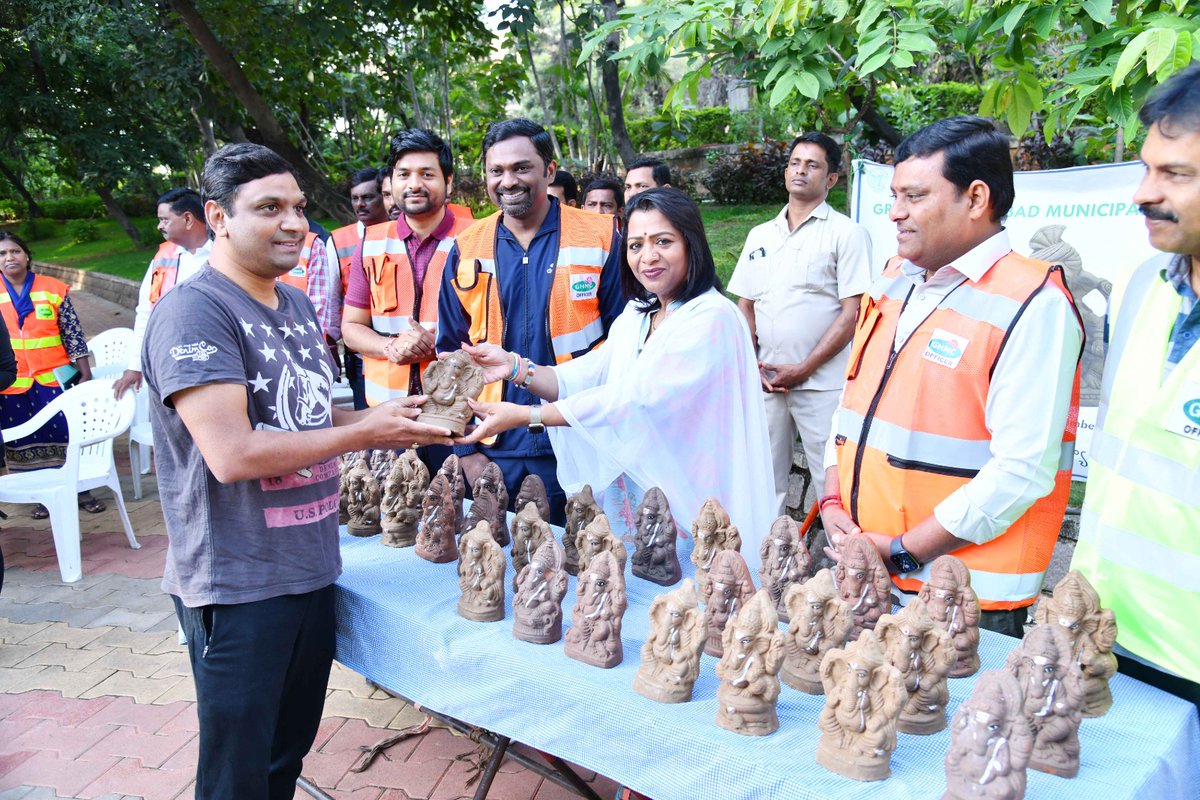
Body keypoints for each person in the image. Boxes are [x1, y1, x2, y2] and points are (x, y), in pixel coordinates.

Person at [142, 142, 452, 799]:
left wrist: (385, 412)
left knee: (282, 762)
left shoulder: (295, 306)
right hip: (238, 582)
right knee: (237, 777)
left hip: (310, 568)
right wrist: (366, 432)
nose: (293, 223)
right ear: (217, 217)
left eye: (300, 208)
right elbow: (232, 454)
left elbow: (310, 415)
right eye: (269, 208)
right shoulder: (196, 312)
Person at [821, 116, 1084, 637]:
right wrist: (832, 501)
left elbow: (1022, 471)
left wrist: (902, 551)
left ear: (977, 197)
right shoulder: (895, 280)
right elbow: (851, 407)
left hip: (963, 601)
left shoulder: (1034, 305)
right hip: (867, 573)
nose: (895, 214)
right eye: (894, 196)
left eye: (914, 197)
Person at [460, 188, 774, 565]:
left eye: (663, 242)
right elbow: (584, 376)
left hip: (691, 489)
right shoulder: (640, 315)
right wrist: (512, 367)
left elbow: (634, 399)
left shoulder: (712, 317)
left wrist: (528, 416)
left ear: (692, 245)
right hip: (641, 493)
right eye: (637, 245)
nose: (648, 256)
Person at [1072, 63, 1200, 708]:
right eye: (1146, 168)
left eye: (1175, 174)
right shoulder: (1147, 285)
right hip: (1107, 637)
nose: (1142, 193)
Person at [438, 118, 625, 524]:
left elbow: (624, 343)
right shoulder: (465, 246)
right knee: (490, 575)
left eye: (521, 168)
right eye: (496, 171)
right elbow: (449, 356)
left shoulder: (601, 235)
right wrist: (466, 453)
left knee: (583, 570)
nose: (508, 181)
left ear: (549, 170)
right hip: (493, 444)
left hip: (577, 438)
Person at [728, 132, 871, 516]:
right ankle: (763, 565)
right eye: (795, 162)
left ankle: (846, 567)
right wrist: (751, 362)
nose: (801, 170)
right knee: (763, 479)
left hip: (822, 384)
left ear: (831, 180)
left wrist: (803, 368)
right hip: (767, 381)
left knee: (832, 482)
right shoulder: (761, 235)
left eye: (813, 165)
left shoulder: (848, 234)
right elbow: (745, 304)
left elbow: (853, 312)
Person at [342, 129, 474, 471]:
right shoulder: (371, 242)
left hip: (460, 413)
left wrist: (439, 345)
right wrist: (391, 346)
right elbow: (352, 327)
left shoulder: (477, 239)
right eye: (404, 175)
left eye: (427, 174)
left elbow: (496, 327)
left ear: (448, 180)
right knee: (391, 511)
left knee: (458, 513)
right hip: (388, 415)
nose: (414, 184)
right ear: (391, 182)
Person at [0, 232, 104, 517]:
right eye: (2, 254)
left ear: (26, 255)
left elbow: (72, 334)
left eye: (15, 251)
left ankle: (81, 489)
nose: (9, 257)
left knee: (65, 434)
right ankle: (39, 497)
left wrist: (85, 373)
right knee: (22, 440)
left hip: (54, 378)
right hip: (13, 382)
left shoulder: (53, 288)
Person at [113, 188, 212, 398]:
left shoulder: (226, 254)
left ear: (187, 219)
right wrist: (135, 365)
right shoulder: (163, 257)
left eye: (164, 219)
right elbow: (146, 312)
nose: (159, 226)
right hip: (171, 364)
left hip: (216, 363)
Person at [327, 167, 391, 410]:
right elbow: (332, 301)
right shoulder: (339, 240)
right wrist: (331, 344)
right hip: (360, 355)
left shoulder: (404, 235)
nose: (360, 204)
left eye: (368, 197)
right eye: (355, 198)